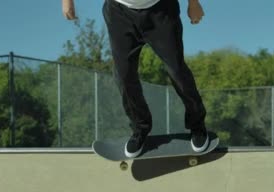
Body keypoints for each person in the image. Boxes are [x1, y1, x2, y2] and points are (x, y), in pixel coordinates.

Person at [62, 0, 209, 158]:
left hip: (161, 10)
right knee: (123, 75)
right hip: (119, 12)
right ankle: (140, 128)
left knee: (176, 70)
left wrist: (193, 4)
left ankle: (197, 125)